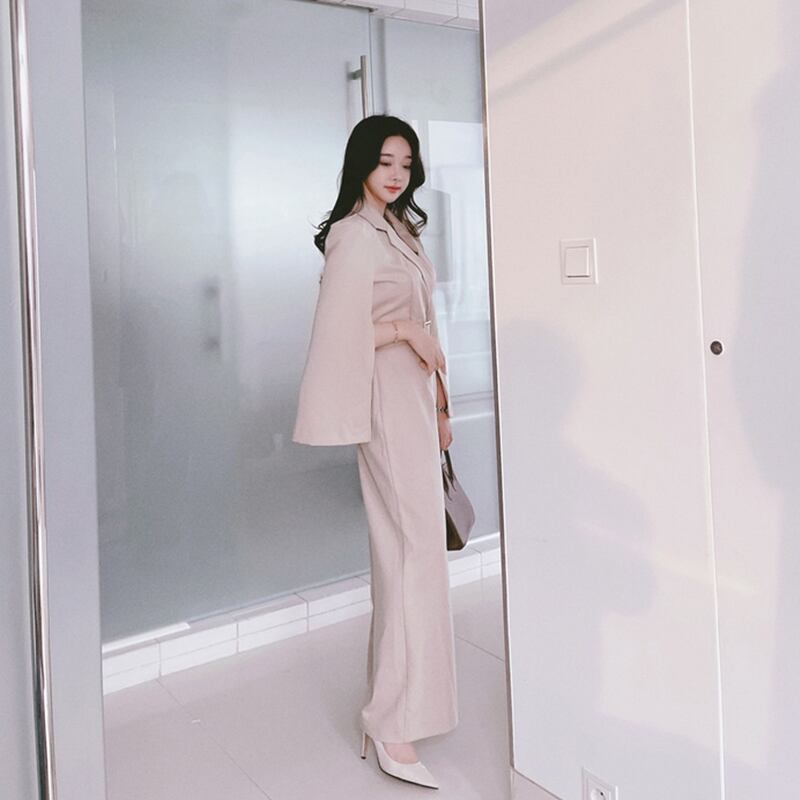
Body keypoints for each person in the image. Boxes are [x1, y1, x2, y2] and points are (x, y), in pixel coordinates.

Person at [292, 114, 458, 789]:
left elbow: (429, 327)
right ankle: (391, 723)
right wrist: (402, 332)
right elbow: (336, 335)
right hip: (385, 406)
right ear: (362, 161)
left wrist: (440, 406)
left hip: (415, 405)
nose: (396, 174)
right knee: (412, 558)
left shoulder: (399, 231)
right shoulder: (353, 236)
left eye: (406, 163)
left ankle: (390, 712)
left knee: (413, 557)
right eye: (385, 160)